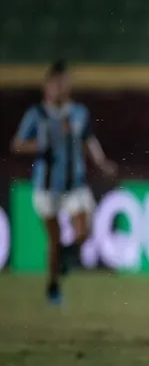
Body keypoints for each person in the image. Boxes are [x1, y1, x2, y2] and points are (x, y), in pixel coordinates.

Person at [10, 60, 117, 305]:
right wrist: (41, 145)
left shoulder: (78, 112)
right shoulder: (36, 114)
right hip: (46, 187)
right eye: (56, 84)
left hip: (75, 183)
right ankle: (53, 286)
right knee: (54, 240)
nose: (60, 88)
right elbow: (17, 144)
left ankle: (68, 256)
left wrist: (101, 162)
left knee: (85, 229)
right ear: (47, 86)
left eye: (64, 83)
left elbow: (88, 139)